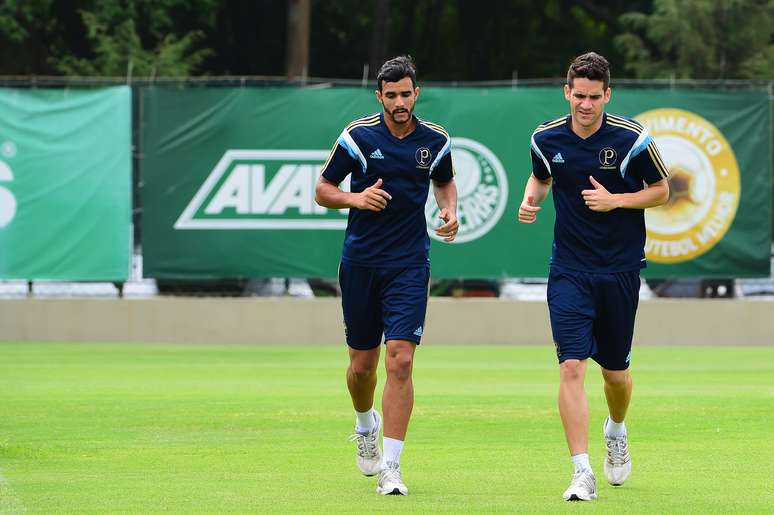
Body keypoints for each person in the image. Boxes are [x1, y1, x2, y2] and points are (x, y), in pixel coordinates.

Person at [517, 52, 670, 501]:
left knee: (616, 375)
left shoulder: (632, 138)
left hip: (619, 269)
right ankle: (581, 471)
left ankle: (616, 430)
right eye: (578, 96)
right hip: (568, 269)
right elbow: (541, 176)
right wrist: (532, 200)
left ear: (608, 94)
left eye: (594, 97)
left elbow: (662, 191)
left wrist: (616, 201)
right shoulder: (545, 138)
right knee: (571, 366)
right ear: (567, 92)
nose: (585, 105)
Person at [315, 55, 458, 496]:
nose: (399, 101)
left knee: (401, 358)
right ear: (380, 96)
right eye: (391, 95)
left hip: (410, 263)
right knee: (362, 367)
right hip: (360, 263)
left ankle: (391, 467)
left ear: (417, 93)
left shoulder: (435, 141)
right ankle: (364, 423)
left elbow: (444, 182)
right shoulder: (357, 137)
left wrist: (450, 209)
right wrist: (356, 200)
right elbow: (323, 190)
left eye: (406, 93)